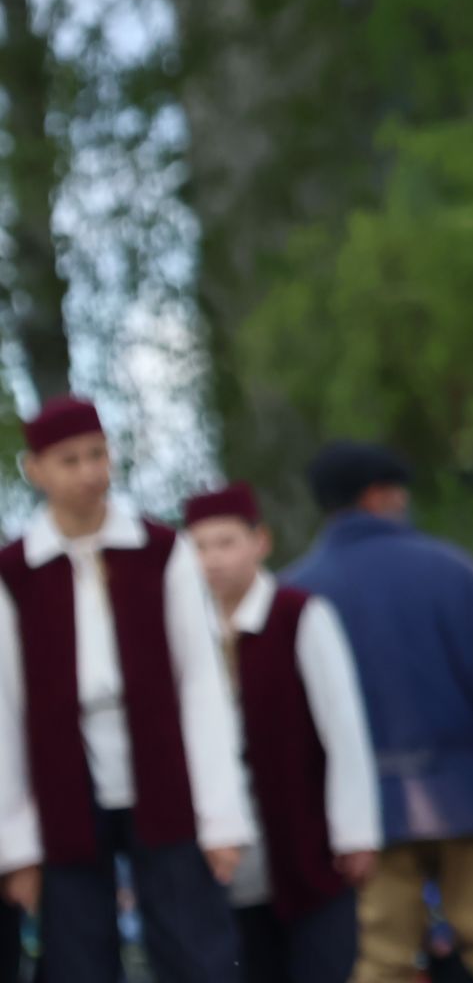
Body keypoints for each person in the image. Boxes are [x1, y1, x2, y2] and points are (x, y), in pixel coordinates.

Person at [0, 396, 252, 983]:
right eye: (70, 460)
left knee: (197, 950)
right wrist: (16, 843)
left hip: (161, 774)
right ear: (35, 470)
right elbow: (6, 712)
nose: (90, 471)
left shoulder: (163, 552)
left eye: (97, 454)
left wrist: (219, 818)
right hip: (63, 787)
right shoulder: (15, 571)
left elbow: (201, 687)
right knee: (76, 956)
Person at [286, 442, 473, 983]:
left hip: (361, 818)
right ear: (379, 496)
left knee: (380, 962)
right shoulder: (452, 570)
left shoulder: (296, 593)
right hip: (472, 797)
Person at [184, 481, 382, 983]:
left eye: (226, 542)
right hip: (232, 862)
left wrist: (354, 831)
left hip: (305, 846)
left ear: (259, 541)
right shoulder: (188, 630)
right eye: (200, 546)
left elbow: (343, 728)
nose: (213, 559)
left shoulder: (299, 615)